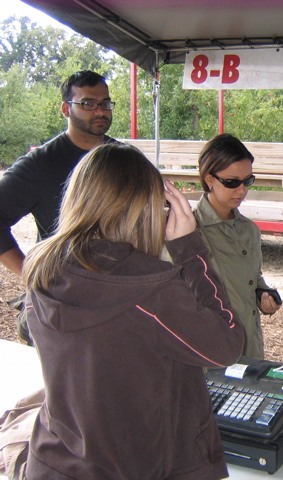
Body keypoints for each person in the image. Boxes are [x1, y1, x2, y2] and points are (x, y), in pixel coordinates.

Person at [22, 143, 245, 480]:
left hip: (55, 460)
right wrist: (191, 250)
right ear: (146, 208)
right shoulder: (149, 289)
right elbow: (226, 345)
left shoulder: (42, 265)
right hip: (143, 466)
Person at [0, 70, 116, 344]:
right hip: (61, 305)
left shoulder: (123, 158)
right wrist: (30, 272)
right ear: (66, 108)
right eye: (87, 103)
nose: (99, 111)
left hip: (117, 297)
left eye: (105, 103)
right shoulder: (39, 165)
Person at [194, 133, 281, 359]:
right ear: (209, 179)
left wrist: (263, 296)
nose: (242, 190)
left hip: (249, 349)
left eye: (248, 181)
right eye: (231, 182)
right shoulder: (188, 233)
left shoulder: (249, 230)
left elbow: (253, 279)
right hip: (210, 355)